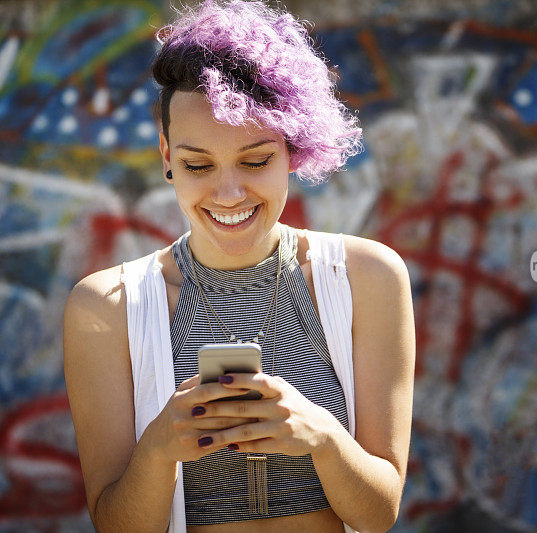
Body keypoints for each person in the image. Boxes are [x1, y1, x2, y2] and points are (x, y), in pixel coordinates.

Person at [62, 1, 415, 532]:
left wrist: (320, 436)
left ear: (294, 148)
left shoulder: (367, 277)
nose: (228, 193)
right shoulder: (105, 306)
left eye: (255, 161)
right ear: (165, 156)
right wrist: (160, 448)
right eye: (197, 164)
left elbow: (379, 511)